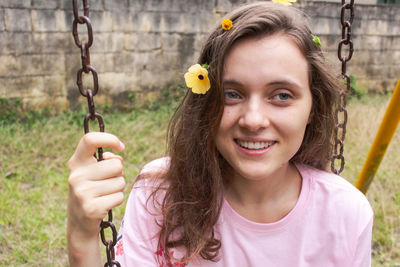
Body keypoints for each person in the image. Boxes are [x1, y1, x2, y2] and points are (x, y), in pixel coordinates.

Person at [67, 2, 373, 266]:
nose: (253, 120)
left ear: (312, 106)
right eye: (232, 94)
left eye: (281, 96)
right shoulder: (160, 193)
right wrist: (82, 237)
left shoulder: (346, 214)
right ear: (206, 101)